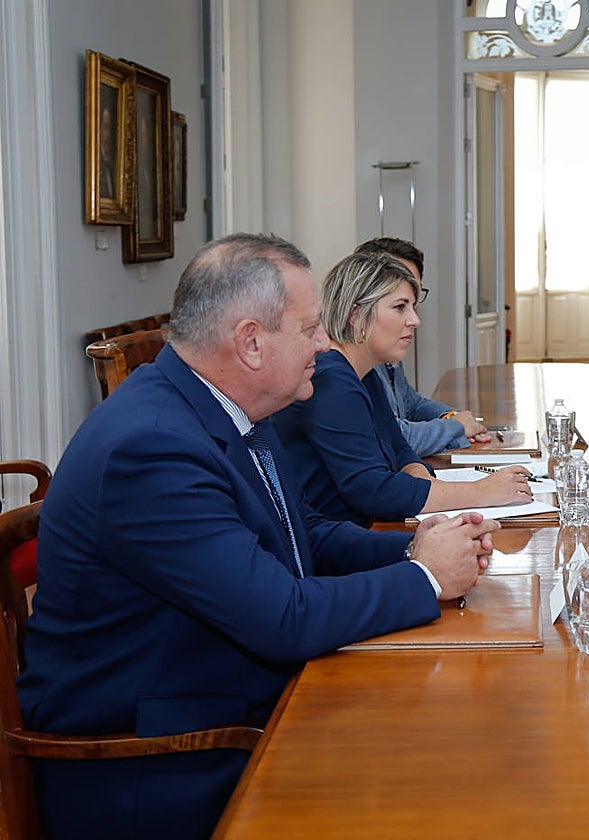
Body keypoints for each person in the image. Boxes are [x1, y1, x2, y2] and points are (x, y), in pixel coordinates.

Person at [18, 234, 500, 838]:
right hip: (159, 761)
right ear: (250, 342)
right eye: (311, 329)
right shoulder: (152, 447)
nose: (325, 345)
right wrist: (426, 578)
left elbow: (307, 537)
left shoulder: (224, 407)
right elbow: (282, 619)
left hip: (223, 700)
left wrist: (417, 544)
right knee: (447, 782)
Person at [273, 251, 532, 527]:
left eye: (413, 307)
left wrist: (423, 480)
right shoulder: (331, 381)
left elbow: (399, 447)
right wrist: (482, 492)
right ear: (356, 314)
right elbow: (372, 490)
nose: (414, 320)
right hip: (334, 545)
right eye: (400, 307)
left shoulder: (365, 373)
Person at [354, 237, 492, 456]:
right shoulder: (352, 365)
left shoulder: (384, 353)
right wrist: (455, 428)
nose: (414, 317)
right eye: (400, 304)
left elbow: (411, 404)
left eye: (415, 295)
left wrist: (453, 418)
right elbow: (392, 437)